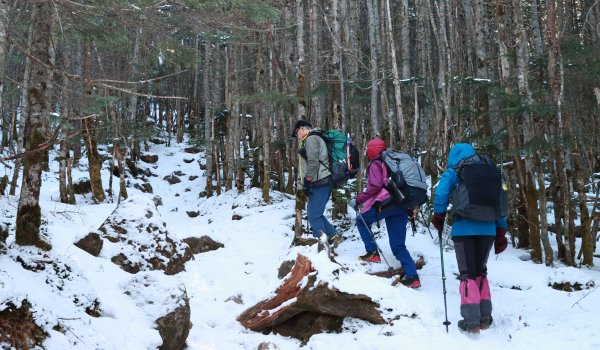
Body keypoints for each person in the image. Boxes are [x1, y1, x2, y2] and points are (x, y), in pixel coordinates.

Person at [431, 143, 508, 333]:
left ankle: (471, 322)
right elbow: (501, 200)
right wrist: (500, 231)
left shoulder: (455, 170)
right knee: (481, 272)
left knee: (468, 274)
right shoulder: (490, 170)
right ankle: (485, 318)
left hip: (463, 228)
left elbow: (441, 193)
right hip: (488, 229)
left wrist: (439, 215)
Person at [349, 138, 421, 289]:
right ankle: (413, 276)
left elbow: (375, 186)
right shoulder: (392, 163)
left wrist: (358, 200)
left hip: (386, 203)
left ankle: (372, 253)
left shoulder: (376, 163)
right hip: (401, 205)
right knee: (398, 245)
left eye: (368, 149)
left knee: (361, 220)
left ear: (371, 151)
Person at [292, 120, 342, 246]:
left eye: (296, 132)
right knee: (315, 213)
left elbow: (313, 161)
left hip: (320, 181)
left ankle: (320, 244)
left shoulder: (311, 139)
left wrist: (307, 180)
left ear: (302, 128)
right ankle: (333, 236)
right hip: (320, 181)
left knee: (313, 215)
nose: (297, 135)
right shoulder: (314, 139)